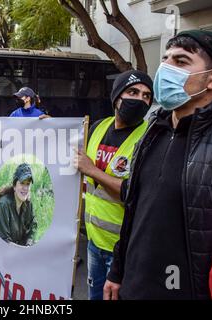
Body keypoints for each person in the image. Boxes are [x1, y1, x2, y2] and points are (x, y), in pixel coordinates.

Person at [103, 30, 212, 300]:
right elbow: (135, 207)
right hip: (134, 285)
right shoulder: (154, 129)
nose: (165, 68)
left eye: (181, 61)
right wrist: (117, 272)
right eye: (165, 59)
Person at [74, 70, 153, 300]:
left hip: (123, 250)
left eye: (147, 96)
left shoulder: (148, 137)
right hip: (93, 242)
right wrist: (49, 126)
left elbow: (135, 192)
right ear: (117, 97)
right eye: (133, 92)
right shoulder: (99, 126)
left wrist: (92, 170)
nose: (140, 99)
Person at [0, 163, 37, 246]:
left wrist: (29, 242)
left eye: (28, 184)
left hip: (20, 249)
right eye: (22, 183)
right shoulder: (3, 206)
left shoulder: (28, 203)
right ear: (14, 186)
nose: (25, 188)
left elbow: (33, 226)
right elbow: (3, 242)